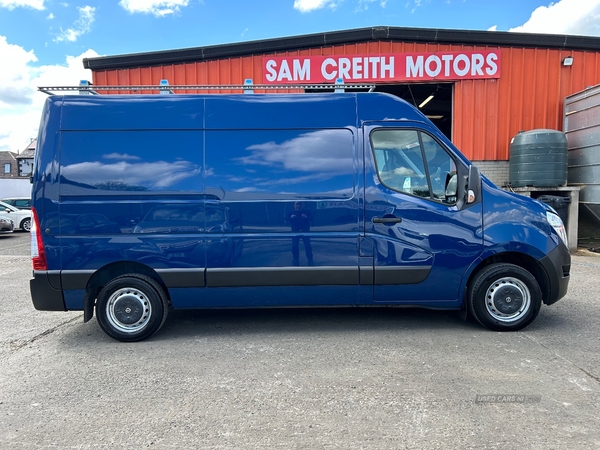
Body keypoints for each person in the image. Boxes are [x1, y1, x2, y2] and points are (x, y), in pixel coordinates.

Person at [287, 201, 314, 266]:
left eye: (300, 204)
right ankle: (295, 260)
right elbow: (285, 219)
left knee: (307, 245)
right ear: (294, 205)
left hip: (305, 231)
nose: (298, 206)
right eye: (297, 204)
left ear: (304, 205)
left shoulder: (307, 212)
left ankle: (310, 260)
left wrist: (306, 217)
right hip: (295, 231)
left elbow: (312, 219)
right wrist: (291, 218)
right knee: (294, 246)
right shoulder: (290, 212)